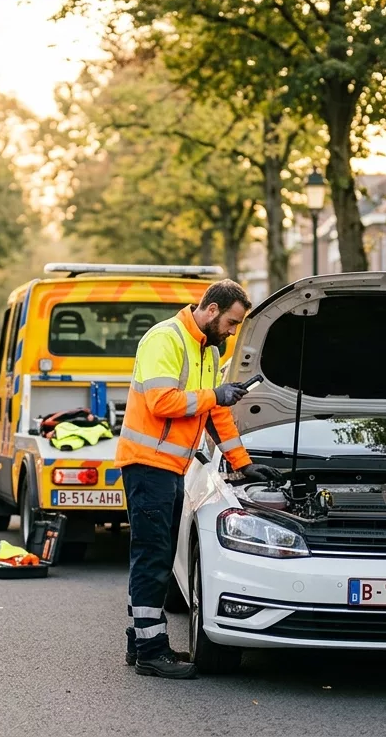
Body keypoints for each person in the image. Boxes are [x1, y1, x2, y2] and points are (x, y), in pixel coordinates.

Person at [115, 279, 283, 679]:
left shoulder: (207, 350)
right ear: (211, 310)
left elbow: (216, 415)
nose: (230, 331)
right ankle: (151, 653)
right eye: (230, 322)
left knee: (156, 555)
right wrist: (215, 396)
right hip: (147, 465)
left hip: (170, 468)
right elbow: (162, 402)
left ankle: (141, 639)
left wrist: (241, 464)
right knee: (152, 557)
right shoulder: (165, 339)